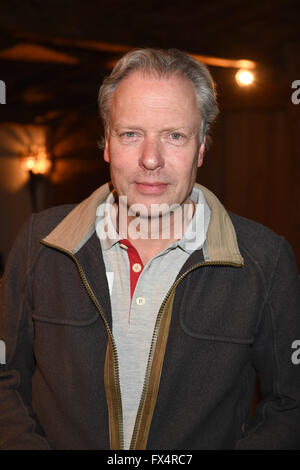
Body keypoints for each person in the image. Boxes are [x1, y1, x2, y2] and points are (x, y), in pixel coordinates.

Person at [0, 48, 300, 451]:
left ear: (202, 148)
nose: (151, 159)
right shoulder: (40, 242)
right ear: (107, 143)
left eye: (174, 136)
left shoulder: (265, 261)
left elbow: (290, 404)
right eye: (131, 134)